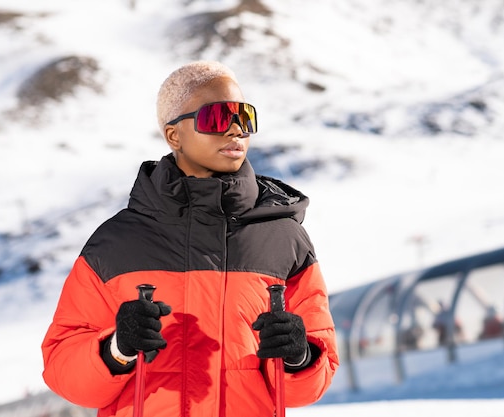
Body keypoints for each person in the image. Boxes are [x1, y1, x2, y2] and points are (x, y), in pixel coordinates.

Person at [41, 60, 339, 417]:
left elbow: (314, 380)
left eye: (244, 118)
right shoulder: (115, 243)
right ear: (174, 135)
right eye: (217, 117)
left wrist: (299, 355)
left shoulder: (284, 239)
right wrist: (116, 349)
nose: (235, 131)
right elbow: (62, 371)